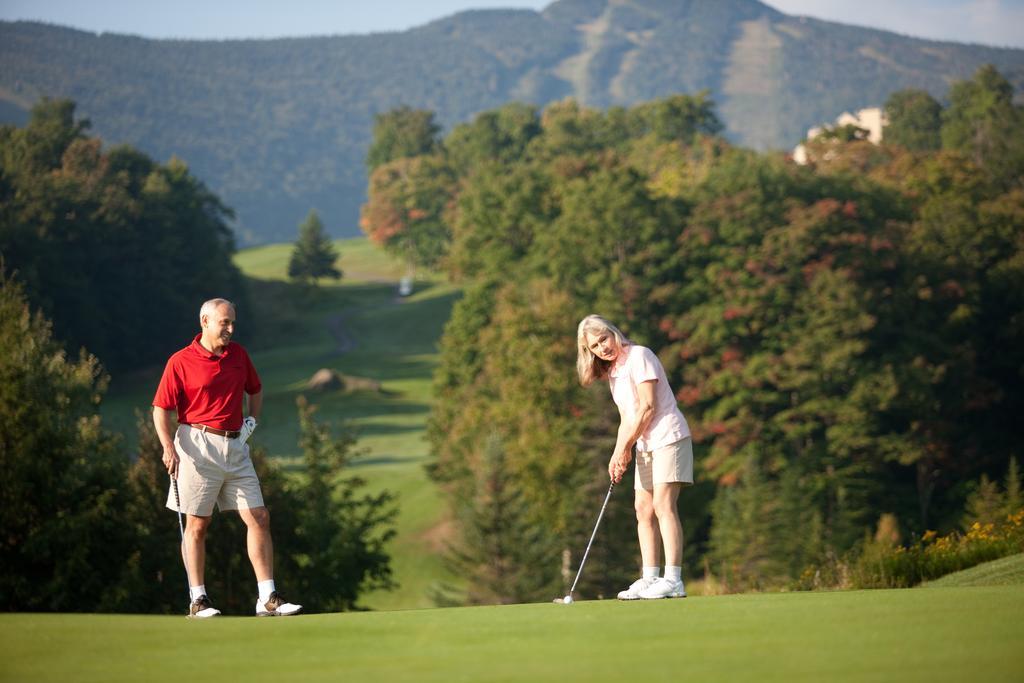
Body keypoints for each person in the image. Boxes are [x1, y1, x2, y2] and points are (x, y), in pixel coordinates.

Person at [153, 298, 301, 618]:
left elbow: (255, 389)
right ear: (205, 322)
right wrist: (168, 447)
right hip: (196, 446)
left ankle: (267, 597)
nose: (230, 329)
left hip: (236, 448)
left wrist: (252, 421)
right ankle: (198, 599)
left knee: (259, 517)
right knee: (198, 524)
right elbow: (160, 409)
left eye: (233, 323)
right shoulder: (180, 361)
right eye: (224, 323)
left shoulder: (239, 355)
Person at [576, 314, 693, 600]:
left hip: (668, 436)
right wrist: (617, 454)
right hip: (645, 444)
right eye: (595, 346)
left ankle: (673, 579)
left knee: (664, 504)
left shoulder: (640, 356)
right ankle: (650, 577)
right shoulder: (614, 371)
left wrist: (626, 447)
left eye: (604, 339)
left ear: (613, 332)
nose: (602, 348)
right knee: (643, 509)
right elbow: (627, 418)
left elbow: (648, 408)